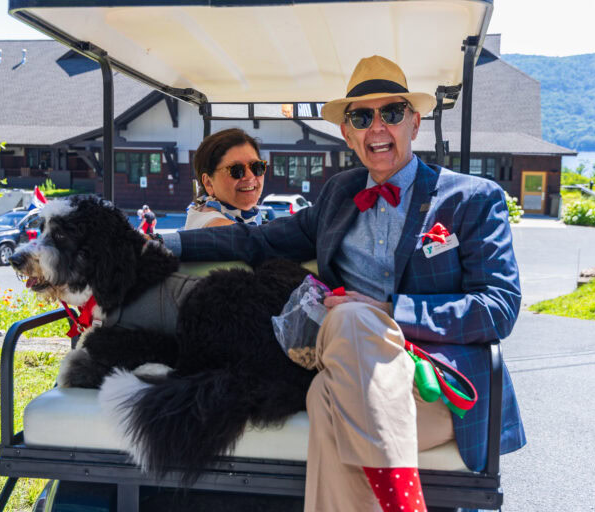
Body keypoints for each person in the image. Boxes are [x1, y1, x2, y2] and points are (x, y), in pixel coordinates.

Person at [160, 56, 525, 512]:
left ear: (414, 123)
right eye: (361, 117)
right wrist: (164, 242)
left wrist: (389, 310)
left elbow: (499, 308)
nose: (377, 128)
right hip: (355, 366)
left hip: (436, 386)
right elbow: (258, 239)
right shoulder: (338, 194)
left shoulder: (471, 198)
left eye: (391, 113)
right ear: (347, 133)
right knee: (346, 327)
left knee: (329, 387)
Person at [184, 128, 266, 229]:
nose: (250, 176)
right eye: (236, 170)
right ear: (209, 183)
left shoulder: (203, 212)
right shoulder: (220, 228)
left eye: (256, 167)